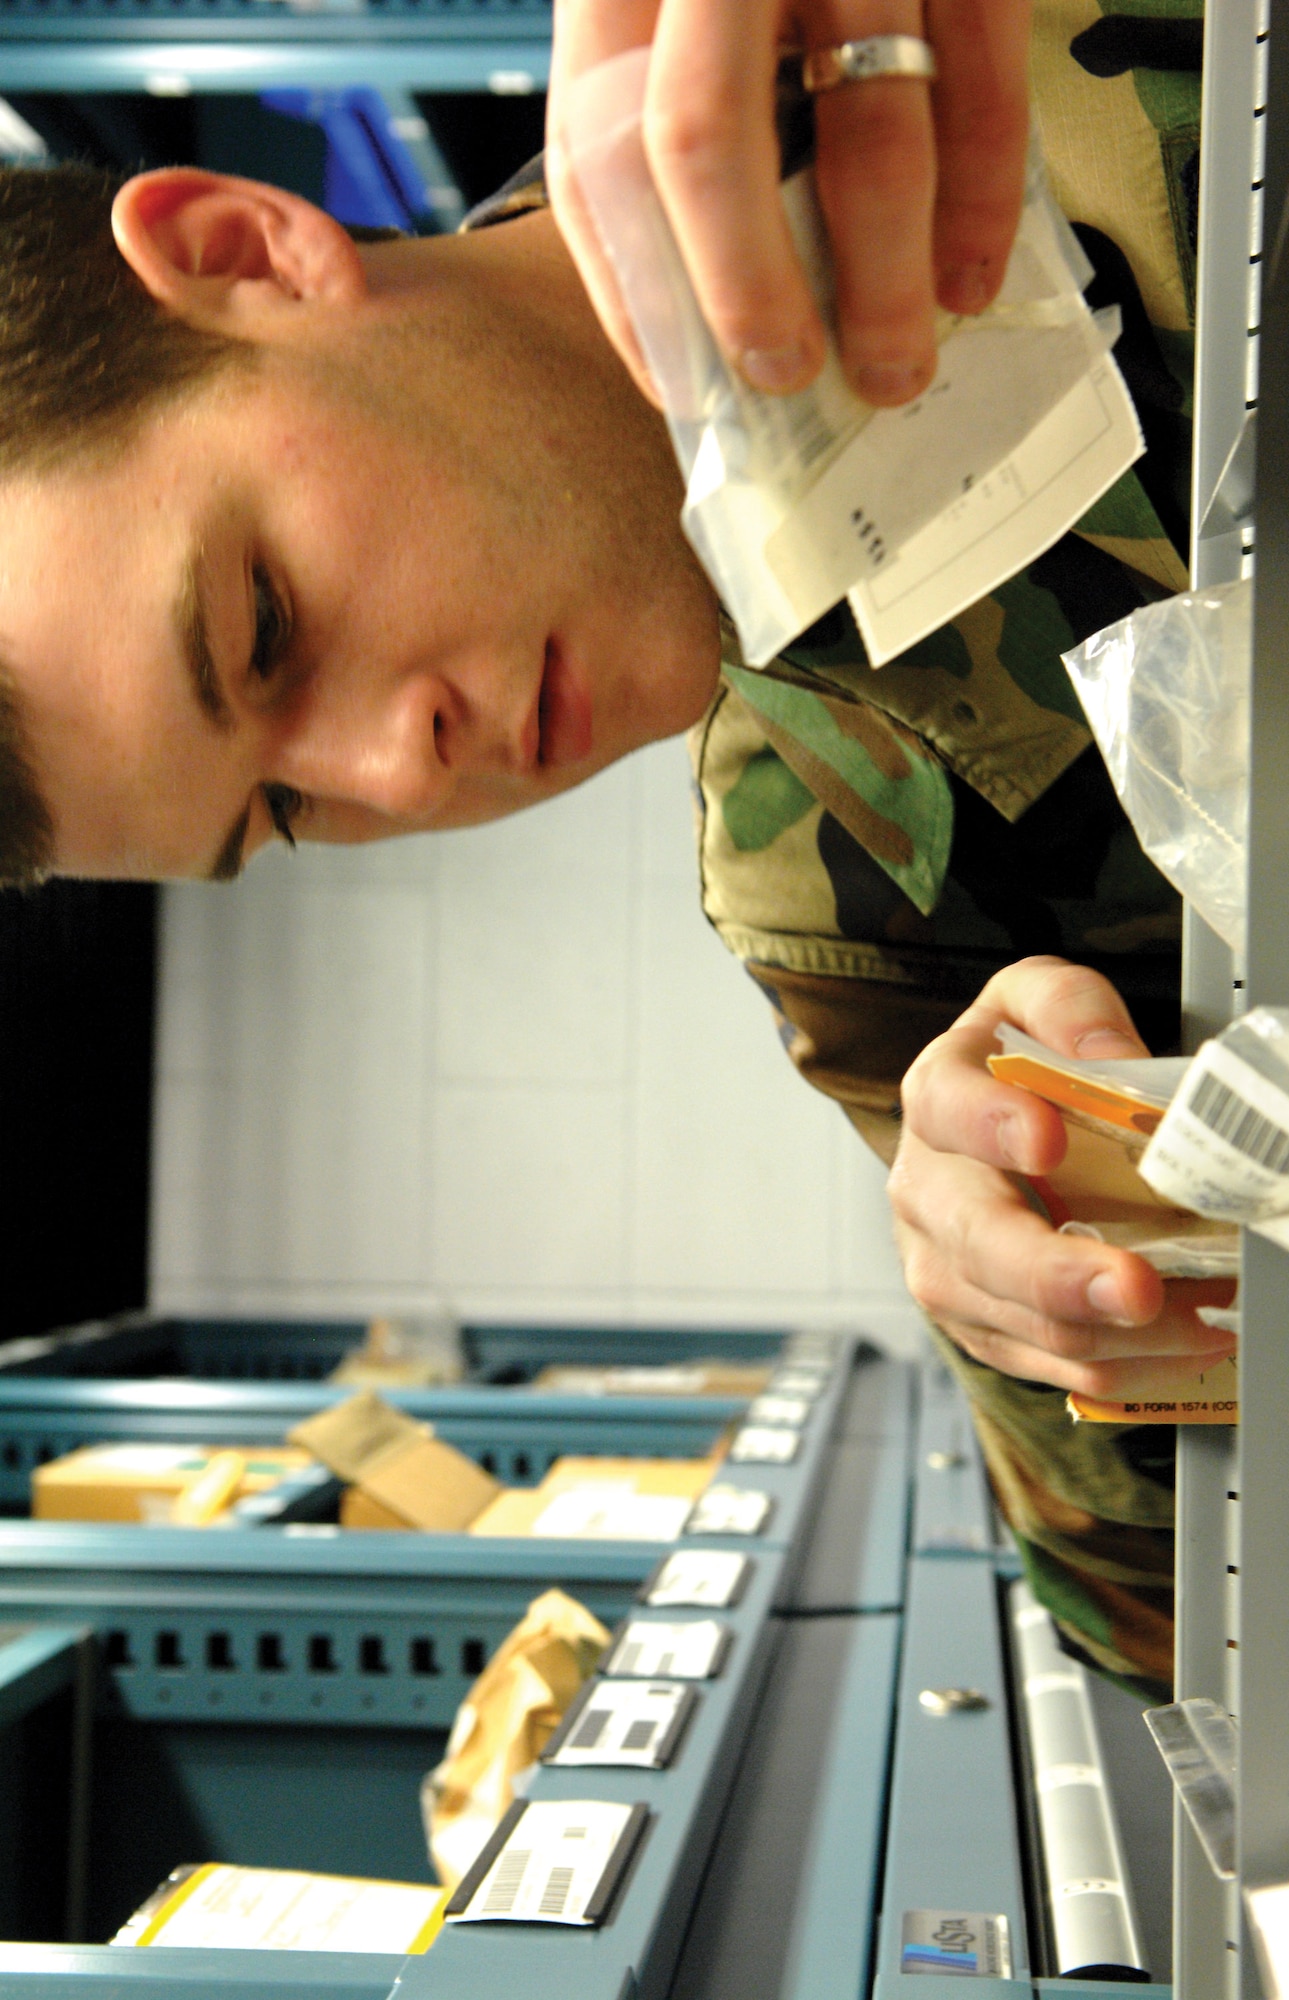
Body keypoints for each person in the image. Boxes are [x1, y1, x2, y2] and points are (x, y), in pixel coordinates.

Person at [0, 0, 1222, 1692]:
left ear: (247, 252)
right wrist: (1019, 1289)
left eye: (266, 622)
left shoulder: (914, 42)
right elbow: (1162, 1616)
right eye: (282, 814)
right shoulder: (835, 865)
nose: (396, 771)